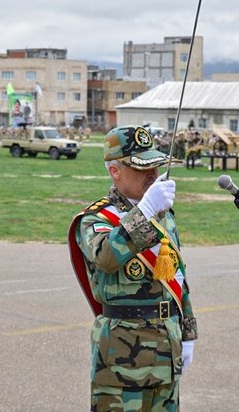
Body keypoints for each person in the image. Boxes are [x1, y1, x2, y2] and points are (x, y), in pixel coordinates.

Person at [68, 125, 198, 412]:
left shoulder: (163, 214)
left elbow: (177, 276)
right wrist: (145, 211)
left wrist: (188, 334)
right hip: (122, 363)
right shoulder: (96, 219)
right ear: (115, 172)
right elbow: (106, 256)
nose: (152, 174)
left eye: (154, 165)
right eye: (142, 168)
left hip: (167, 353)